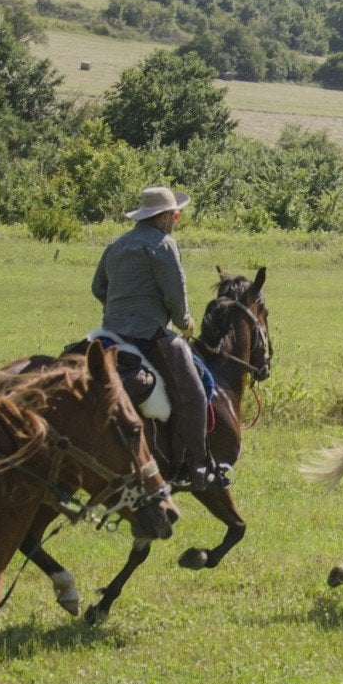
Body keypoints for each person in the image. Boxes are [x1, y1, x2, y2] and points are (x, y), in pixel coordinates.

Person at [91, 185, 220, 491]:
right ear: (163, 217)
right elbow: (175, 296)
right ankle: (198, 465)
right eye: (176, 215)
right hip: (147, 336)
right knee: (196, 389)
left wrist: (118, 309)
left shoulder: (116, 245)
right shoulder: (163, 245)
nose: (176, 220)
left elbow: (98, 288)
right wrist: (185, 323)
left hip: (109, 335)